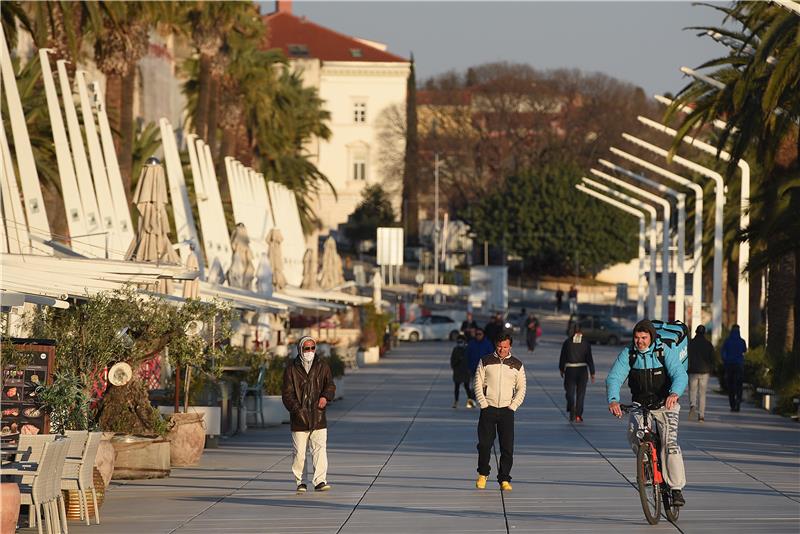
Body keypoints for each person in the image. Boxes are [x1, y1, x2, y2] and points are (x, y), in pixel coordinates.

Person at [606, 320, 688, 507]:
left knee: (670, 444)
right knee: (634, 435)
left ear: (652, 337)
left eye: (644, 338)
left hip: (666, 404)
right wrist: (613, 400)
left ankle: (676, 489)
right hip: (640, 405)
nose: (640, 341)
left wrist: (674, 393)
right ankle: (646, 464)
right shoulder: (629, 354)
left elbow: (680, 374)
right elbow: (615, 377)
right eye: (636, 337)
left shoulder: (663, 351)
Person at [281, 336, 336, 493]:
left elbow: (330, 385)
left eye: (313, 348)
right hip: (299, 417)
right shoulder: (291, 369)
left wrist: (325, 397)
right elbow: (287, 394)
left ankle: (320, 480)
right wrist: (297, 410)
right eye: (307, 348)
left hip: (318, 415)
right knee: (299, 452)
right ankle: (301, 481)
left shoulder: (322, 366)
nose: (310, 351)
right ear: (300, 349)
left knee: (319, 449)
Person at [474, 333, 526, 492]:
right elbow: (477, 382)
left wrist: (513, 406)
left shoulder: (517, 364)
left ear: (510, 346)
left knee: (507, 447)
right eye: (499, 346)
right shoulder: (485, 361)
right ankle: (483, 474)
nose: (502, 349)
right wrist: (483, 404)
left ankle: (504, 478)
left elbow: (521, 387)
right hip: (488, 409)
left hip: (506, 411)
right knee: (484, 445)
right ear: (495, 345)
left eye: (505, 347)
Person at [559, 325, 595, 422]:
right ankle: (578, 414)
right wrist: (592, 372)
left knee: (569, 392)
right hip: (582, 370)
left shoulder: (567, 342)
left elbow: (563, 357)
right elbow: (589, 358)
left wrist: (561, 369)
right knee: (581, 394)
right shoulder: (586, 343)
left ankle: (572, 406)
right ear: (581, 333)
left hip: (570, 370)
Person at [687, 325, 714, 422]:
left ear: (696, 332)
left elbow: (687, 357)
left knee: (692, 391)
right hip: (704, 371)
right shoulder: (708, 344)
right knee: (702, 394)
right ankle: (701, 415)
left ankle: (692, 404)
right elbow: (712, 358)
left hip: (693, 371)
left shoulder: (691, 343)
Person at [721, 325, 747, 412]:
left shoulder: (727, 341)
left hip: (729, 365)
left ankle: (732, 404)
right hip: (739, 365)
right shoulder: (742, 341)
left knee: (731, 385)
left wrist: (725, 361)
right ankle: (738, 401)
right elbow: (744, 350)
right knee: (739, 385)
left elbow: (723, 353)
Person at [450, 335, 475, 408]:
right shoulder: (455, 349)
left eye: (461, 341)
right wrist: (454, 366)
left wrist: (469, 369)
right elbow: (452, 359)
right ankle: (456, 402)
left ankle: (470, 401)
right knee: (456, 387)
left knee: (467, 387)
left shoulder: (467, 349)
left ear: (464, 342)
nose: (459, 343)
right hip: (457, 371)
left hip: (466, 371)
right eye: (458, 341)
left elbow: (470, 359)